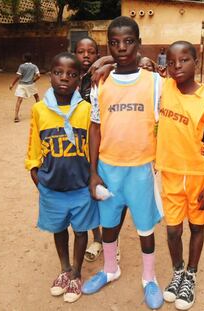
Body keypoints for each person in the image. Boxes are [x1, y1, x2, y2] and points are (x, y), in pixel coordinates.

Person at [81, 16, 164, 310]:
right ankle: (109, 269)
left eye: (129, 41)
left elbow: (173, 117)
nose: (122, 48)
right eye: (114, 43)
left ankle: (149, 278)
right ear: (108, 47)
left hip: (141, 168)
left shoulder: (155, 83)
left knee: (145, 228)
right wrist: (92, 173)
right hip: (108, 169)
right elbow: (94, 127)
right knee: (109, 226)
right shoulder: (100, 82)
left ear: (138, 44)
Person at [156, 41, 204, 310]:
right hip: (170, 174)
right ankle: (177, 271)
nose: (177, 67)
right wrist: (104, 63)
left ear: (196, 62)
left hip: (199, 176)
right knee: (173, 231)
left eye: (183, 60)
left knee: (197, 227)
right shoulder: (164, 86)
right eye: (172, 62)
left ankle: (191, 275)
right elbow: (138, 68)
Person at [25, 52, 99, 303]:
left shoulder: (86, 110)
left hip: (80, 186)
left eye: (71, 74)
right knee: (59, 229)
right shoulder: (39, 109)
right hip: (52, 187)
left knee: (80, 231)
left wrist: (93, 177)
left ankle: (77, 273)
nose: (64, 78)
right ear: (49, 76)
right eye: (58, 73)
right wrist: (35, 173)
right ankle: (65, 269)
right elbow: (35, 143)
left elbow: (94, 147)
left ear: (79, 79)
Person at [74, 36, 126, 263]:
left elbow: (133, 62)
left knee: (109, 194)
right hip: (75, 149)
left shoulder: (105, 76)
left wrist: (108, 62)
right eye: (80, 51)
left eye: (91, 52)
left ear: (97, 54)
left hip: (103, 146)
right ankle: (97, 238)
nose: (86, 55)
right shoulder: (69, 76)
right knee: (87, 196)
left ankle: (110, 241)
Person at [9, 53, 40, 122]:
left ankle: (16, 116)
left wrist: (12, 84)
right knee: (37, 97)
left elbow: (18, 76)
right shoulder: (34, 66)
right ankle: (39, 113)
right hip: (31, 84)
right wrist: (34, 80)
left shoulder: (22, 66)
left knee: (19, 100)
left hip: (22, 85)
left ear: (24, 58)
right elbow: (38, 76)